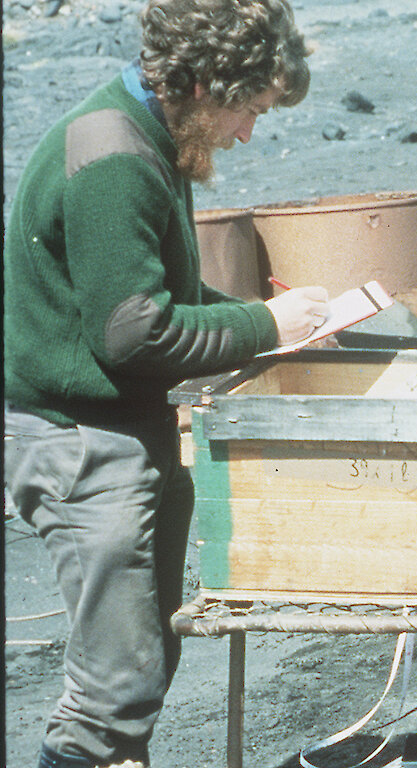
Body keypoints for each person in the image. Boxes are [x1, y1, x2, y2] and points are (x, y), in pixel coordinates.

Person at [4, 2, 325, 766]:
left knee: (141, 669)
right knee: (112, 693)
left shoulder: (144, 134)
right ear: (202, 84)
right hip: (79, 441)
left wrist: (271, 318)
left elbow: (148, 298)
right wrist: (267, 327)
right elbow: (134, 333)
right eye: (248, 110)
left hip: (110, 430)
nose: (247, 133)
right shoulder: (116, 158)